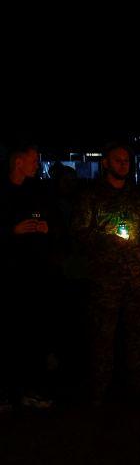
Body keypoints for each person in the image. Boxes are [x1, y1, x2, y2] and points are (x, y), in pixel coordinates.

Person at [70, 143, 140, 404]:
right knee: (102, 335)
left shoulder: (138, 199)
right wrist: (108, 238)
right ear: (106, 163)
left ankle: (136, 386)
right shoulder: (91, 197)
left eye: (126, 160)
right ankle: (99, 389)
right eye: (118, 160)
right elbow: (79, 234)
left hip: (137, 278)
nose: (123, 164)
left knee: (136, 335)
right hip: (104, 280)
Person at [1, 144, 57, 410]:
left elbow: (52, 221)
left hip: (33, 277)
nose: (37, 164)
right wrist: (13, 231)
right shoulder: (3, 193)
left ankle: (28, 390)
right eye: (34, 159)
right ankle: (6, 392)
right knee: (9, 334)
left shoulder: (36, 192)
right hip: (8, 278)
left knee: (31, 334)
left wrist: (46, 228)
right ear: (19, 161)